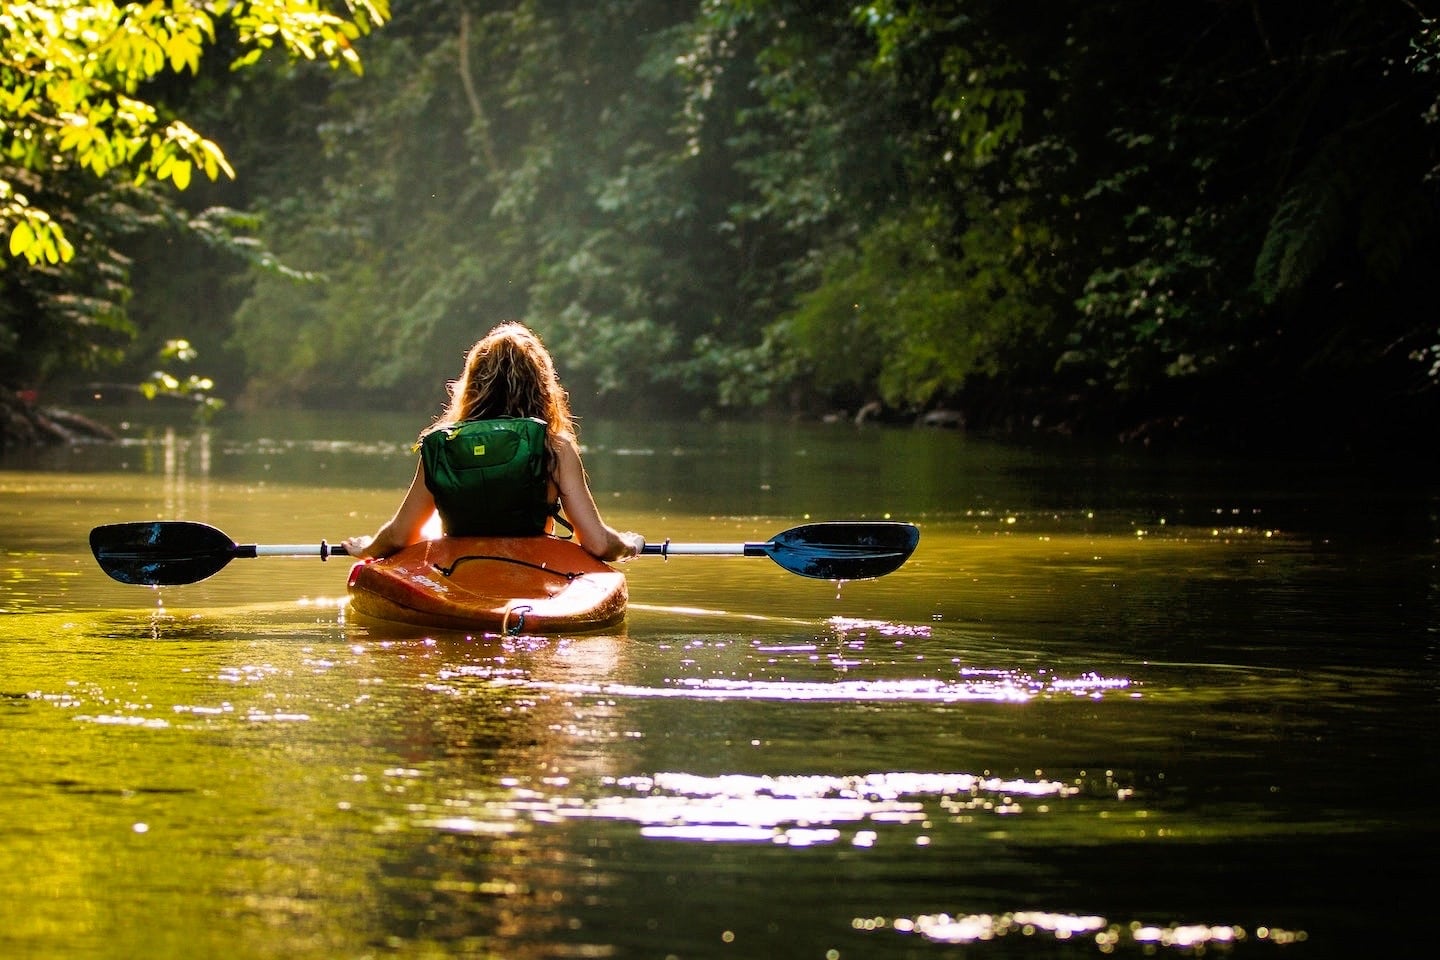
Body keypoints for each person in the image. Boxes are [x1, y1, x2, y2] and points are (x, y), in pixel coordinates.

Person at [342, 322, 645, 562]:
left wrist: (369, 547)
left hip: (457, 571)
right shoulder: (555, 448)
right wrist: (629, 544)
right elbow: (597, 544)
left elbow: (399, 536)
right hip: (534, 570)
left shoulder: (444, 446)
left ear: (472, 384)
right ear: (541, 386)